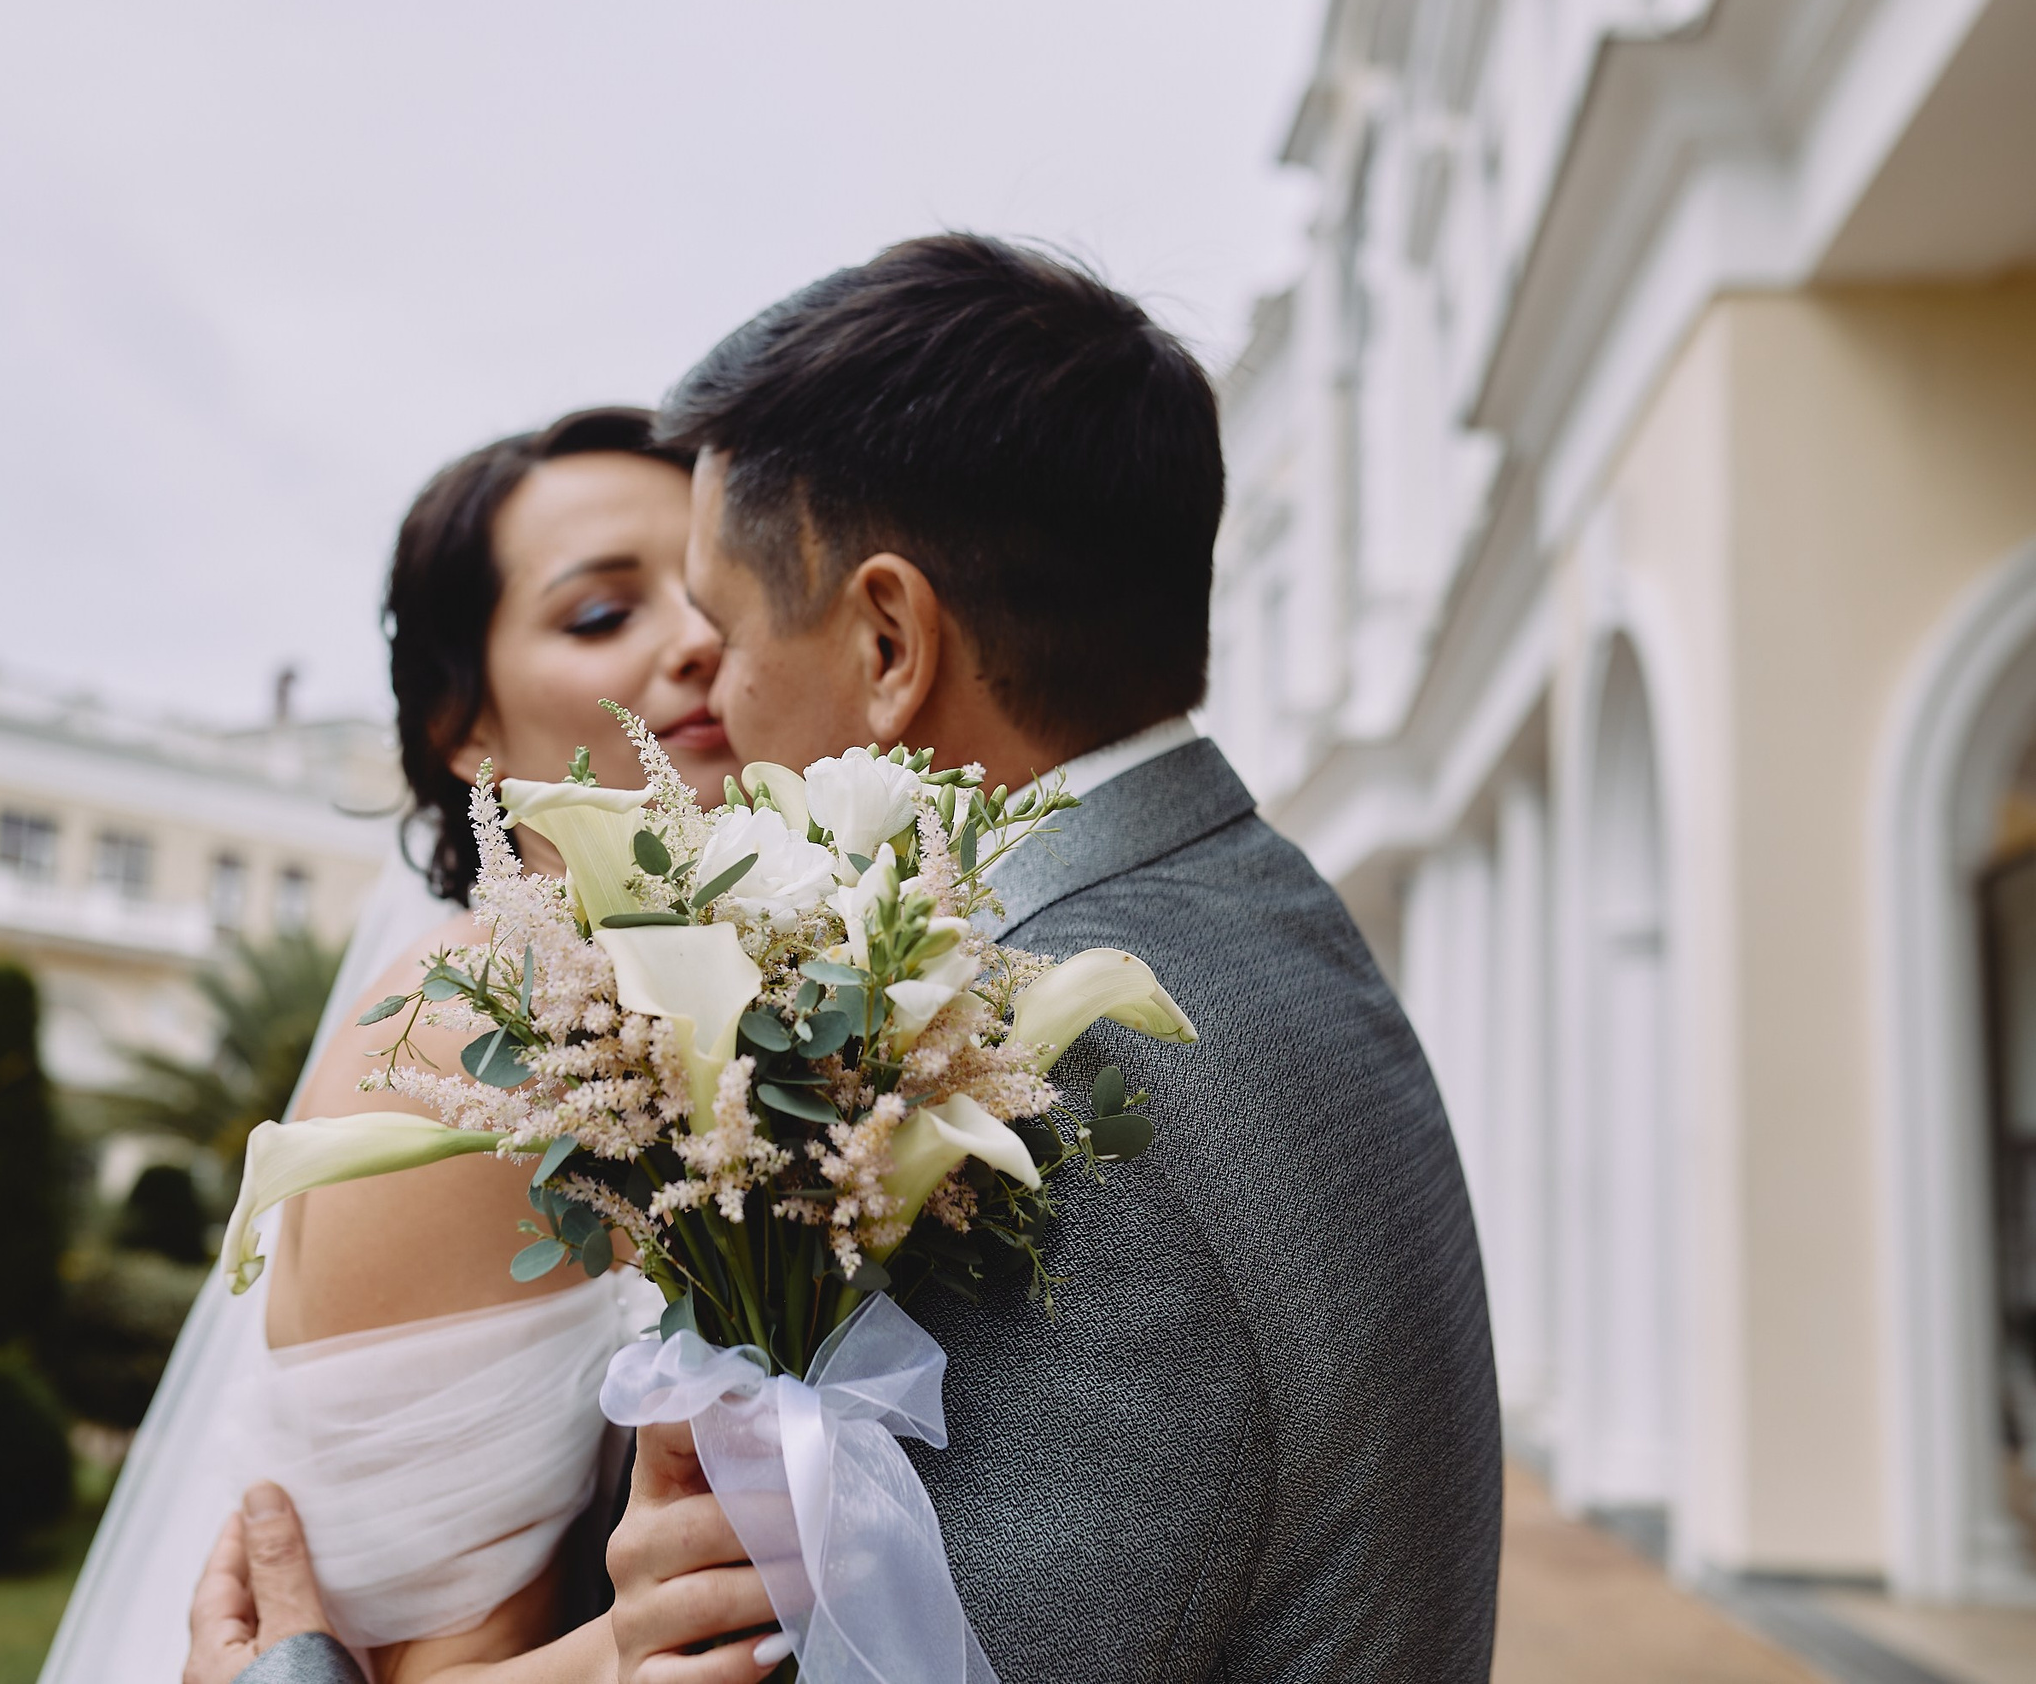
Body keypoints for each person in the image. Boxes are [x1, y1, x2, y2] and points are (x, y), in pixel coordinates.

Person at [602, 235, 1504, 1680]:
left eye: (721, 624)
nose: (703, 690)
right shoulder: (1244, 909)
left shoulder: (1039, 1064)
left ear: (890, 637)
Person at [42, 405, 736, 1684]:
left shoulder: (766, 1011)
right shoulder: (476, 1035)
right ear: (463, 725)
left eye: (720, 595)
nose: (696, 643)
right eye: (601, 615)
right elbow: (406, 1667)